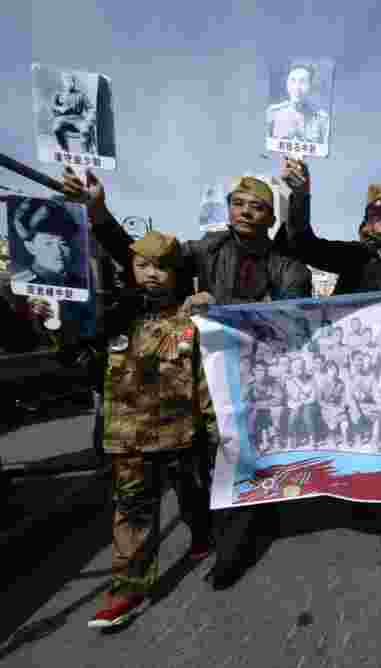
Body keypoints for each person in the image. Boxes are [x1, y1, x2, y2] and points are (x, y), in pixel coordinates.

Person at [63, 166, 312, 590]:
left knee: (250, 454)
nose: (246, 212)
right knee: (215, 460)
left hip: (259, 372)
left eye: (258, 207)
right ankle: (224, 542)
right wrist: (99, 213)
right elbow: (145, 258)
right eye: (239, 204)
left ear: (270, 218)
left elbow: (290, 317)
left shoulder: (285, 264)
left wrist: (225, 306)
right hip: (208, 375)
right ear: (229, 209)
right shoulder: (207, 249)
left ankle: (250, 528)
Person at [276, 158, 381, 569]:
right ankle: (355, 495)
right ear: (365, 224)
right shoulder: (357, 256)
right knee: (364, 443)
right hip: (361, 370)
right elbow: (303, 243)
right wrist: (301, 194)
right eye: (378, 211)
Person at [86, 231, 214, 629]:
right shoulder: (116, 316)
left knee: (193, 494)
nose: (152, 274)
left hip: (182, 434)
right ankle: (126, 589)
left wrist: (214, 430)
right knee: (133, 511)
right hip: (129, 436)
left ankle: (202, 536)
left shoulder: (192, 319)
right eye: (143, 265)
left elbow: (203, 380)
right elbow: (81, 356)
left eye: (162, 267)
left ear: (177, 274)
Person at [10, 198, 87, 289]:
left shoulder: (81, 284)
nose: (58, 252)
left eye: (63, 243)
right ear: (30, 247)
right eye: (48, 243)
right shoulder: (19, 284)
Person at [266, 63, 330, 144]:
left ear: (310, 86)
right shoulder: (273, 113)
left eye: (303, 82)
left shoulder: (322, 119)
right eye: (293, 81)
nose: (297, 88)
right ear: (287, 84)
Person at [51, 72, 95, 153]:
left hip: (78, 119)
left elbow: (91, 108)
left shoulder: (81, 95)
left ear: (74, 83)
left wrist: (88, 120)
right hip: (63, 119)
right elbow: (53, 108)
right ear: (64, 83)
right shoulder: (59, 95)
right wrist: (60, 109)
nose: (70, 83)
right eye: (67, 81)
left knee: (85, 130)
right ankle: (64, 149)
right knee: (56, 128)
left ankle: (85, 152)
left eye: (71, 81)